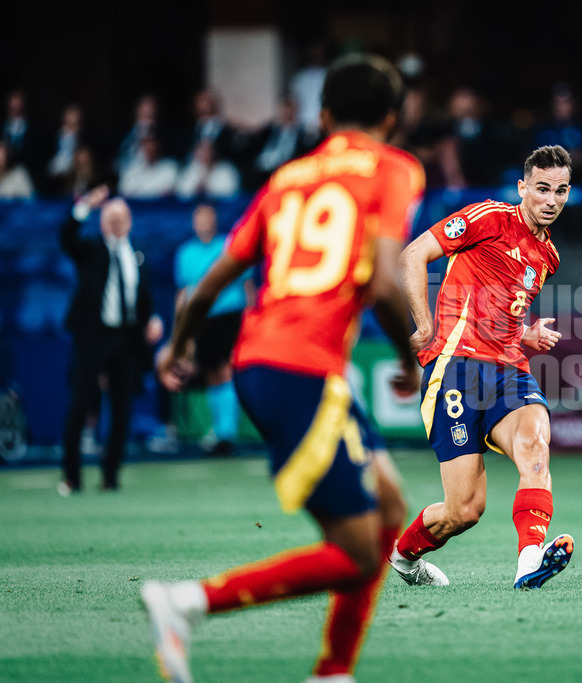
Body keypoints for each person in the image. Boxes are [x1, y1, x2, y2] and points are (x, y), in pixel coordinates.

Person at [142, 53, 424, 683]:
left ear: (323, 116)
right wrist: (411, 359)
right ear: (392, 117)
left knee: (387, 506)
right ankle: (188, 603)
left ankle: (333, 671)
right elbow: (382, 285)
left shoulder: (288, 177)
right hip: (300, 371)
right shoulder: (394, 168)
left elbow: (213, 281)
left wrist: (177, 347)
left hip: (265, 359)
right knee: (356, 554)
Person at [388, 145, 575, 590]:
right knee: (464, 510)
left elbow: (500, 306)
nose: (551, 200)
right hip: (454, 367)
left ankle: (530, 559)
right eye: (543, 189)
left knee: (535, 446)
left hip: (509, 369)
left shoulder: (548, 257)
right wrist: (423, 322)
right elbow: (412, 255)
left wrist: (524, 333)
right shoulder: (488, 216)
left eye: (561, 191)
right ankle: (402, 557)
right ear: (523, 188)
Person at [59, 185, 163, 494]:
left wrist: (152, 320)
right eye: (111, 217)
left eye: (122, 217)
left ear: (130, 221)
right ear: (102, 221)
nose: (117, 223)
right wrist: (85, 206)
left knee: (122, 408)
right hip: (93, 336)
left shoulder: (138, 255)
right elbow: (66, 237)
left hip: (126, 338)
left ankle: (110, 476)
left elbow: (141, 299)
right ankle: (71, 476)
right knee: (81, 403)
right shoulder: (91, 250)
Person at [173, 204, 252, 454]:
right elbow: (183, 292)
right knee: (210, 373)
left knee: (226, 369)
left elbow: (248, 285)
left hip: (230, 316)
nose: (203, 223)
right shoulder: (185, 253)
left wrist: (253, 318)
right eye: (199, 219)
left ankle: (228, 433)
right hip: (203, 319)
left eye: (207, 218)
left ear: (215, 221)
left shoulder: (229, 246)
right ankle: (219, 433)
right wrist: (180, 331)